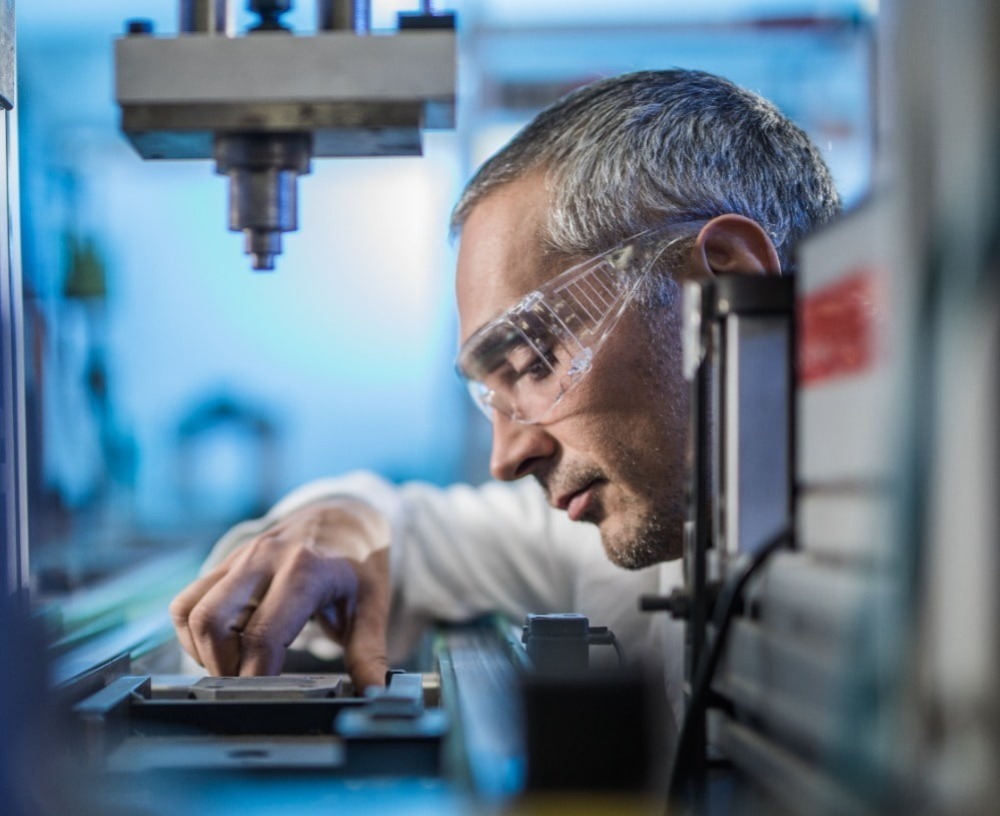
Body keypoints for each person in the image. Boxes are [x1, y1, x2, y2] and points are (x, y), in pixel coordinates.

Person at [169, 69, 840, 728]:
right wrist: (343, 520)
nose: (507, 456)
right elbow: (413, 534)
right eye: (491, 393)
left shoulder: (930, 580)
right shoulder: (642, 524)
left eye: (532, 360)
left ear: (723, 282)